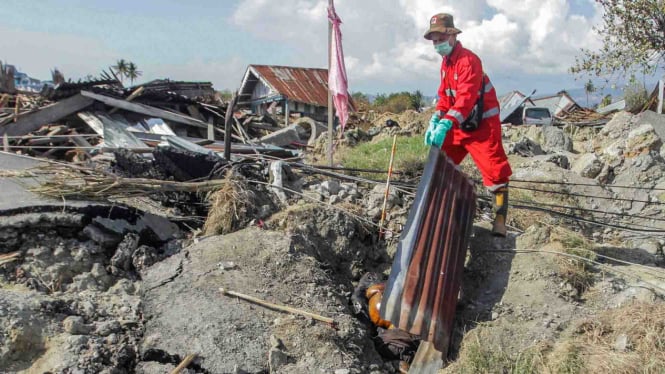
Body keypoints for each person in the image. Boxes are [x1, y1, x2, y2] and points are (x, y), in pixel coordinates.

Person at [423, 13, 512, 237]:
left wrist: (446, 123)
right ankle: (444, 212)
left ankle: (499, 220)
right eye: (434, 41)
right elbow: (445, 95)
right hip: (459, 123)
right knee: (442, 161)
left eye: (440, 39)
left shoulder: (469, 61)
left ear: (452, 35)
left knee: (495, 171)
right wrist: (437, 117)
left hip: (482, 126)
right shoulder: (446, 64)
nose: (437, 45)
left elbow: (465, 99)